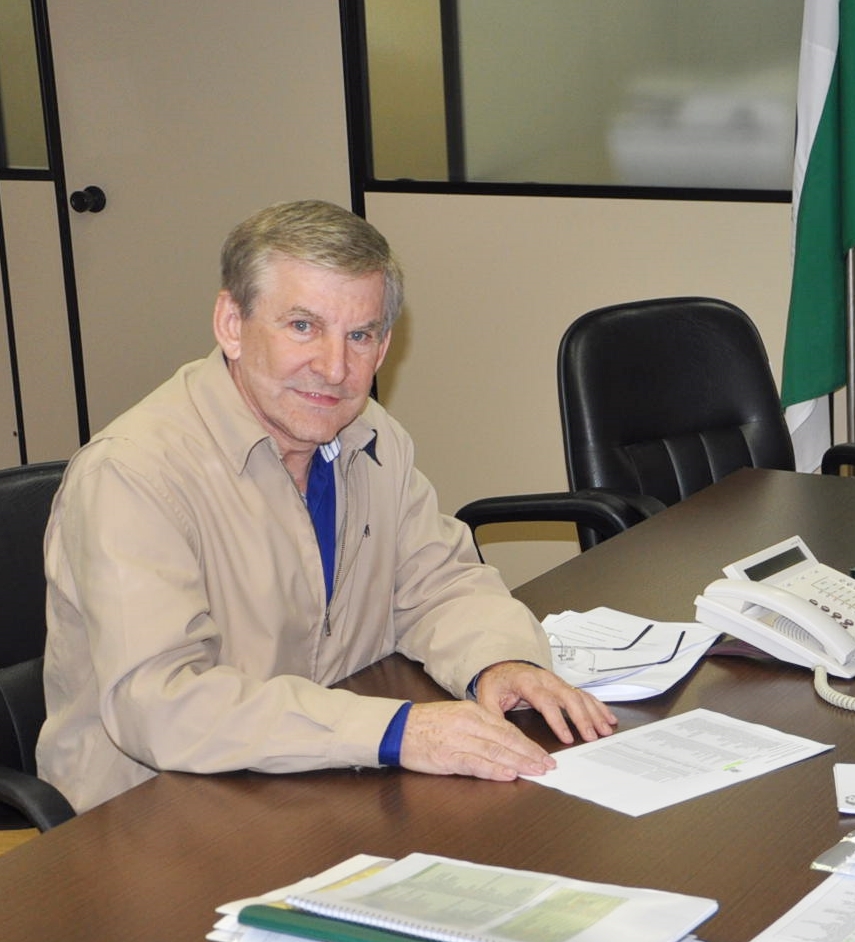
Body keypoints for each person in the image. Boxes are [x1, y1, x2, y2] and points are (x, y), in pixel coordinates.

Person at [39, 199, 616, 813]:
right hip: (152, 815)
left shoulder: (372, 435)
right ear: (231, 324)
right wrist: (396, 730)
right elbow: (160, 703)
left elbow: (440, 583)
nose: (335, 368)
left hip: (315, 787)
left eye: (359, 335)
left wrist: (499, 660)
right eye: (302, 326)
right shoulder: (132, 475)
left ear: (384, 345)